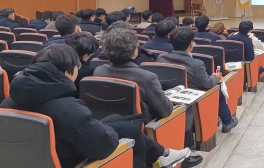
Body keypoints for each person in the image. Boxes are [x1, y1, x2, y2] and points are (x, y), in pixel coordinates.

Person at [0, 44, 191, 168]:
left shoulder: (8, 102)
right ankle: (162, 155)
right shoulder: (69, 110)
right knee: (132, 136)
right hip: (75, 161)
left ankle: (163, 154)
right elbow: (102, 148)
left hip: (33, 159)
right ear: (68, 72)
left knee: (120, 122)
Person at [157, 27, 239, 133]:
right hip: (191, 98)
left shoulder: (161, 58)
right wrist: (215, 76)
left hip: (168, 95)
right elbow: (207, 83)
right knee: (218, 88)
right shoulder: (196, 64)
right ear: (191, 44)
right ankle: (228, 121)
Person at [94, 29, 173, 122]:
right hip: (140, 129)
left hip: (106, 123)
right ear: (134, 51)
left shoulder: (99, 71)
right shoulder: (146, 78)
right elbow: (165, 111)